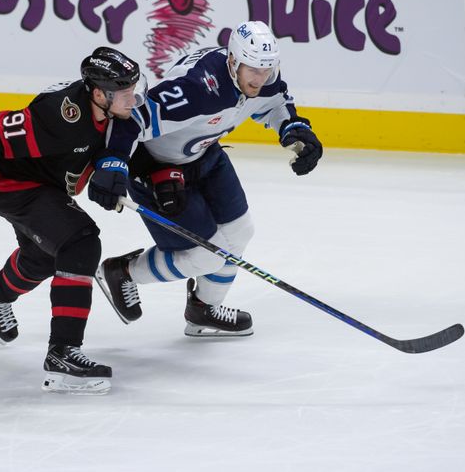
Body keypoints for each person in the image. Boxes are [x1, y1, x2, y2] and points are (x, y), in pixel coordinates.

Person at [0, 47, 147, 394]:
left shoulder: (108, 111)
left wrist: (112, 165)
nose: (132, 97)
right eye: (124, 91)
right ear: (97, 93)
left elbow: (119, 136)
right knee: (80, 242)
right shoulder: (61, 117)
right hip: (14, 186)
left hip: (45, 185)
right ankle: (63, 352)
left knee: (46, 256)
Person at [91, 21, 323, 337]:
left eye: (267, 69)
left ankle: (203, 309)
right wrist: (113, 162)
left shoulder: (263, 77)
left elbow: (275, 102)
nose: (260, 78)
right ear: (232, 61)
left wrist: (294, 129)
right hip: (156, 168)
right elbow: (133, 118)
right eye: (252, 69)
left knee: (241, 231)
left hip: (204, 155)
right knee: (203, 257)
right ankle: (123, 272)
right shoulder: (197, 90)